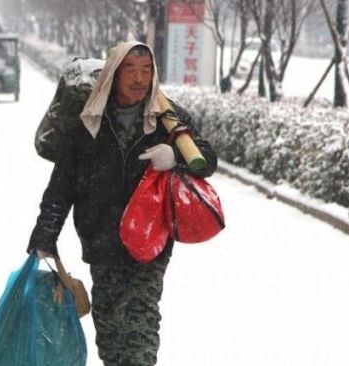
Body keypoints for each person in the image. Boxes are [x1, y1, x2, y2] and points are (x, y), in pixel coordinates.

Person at [27, 41, 218, 365]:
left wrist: (175, 157)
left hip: (149, 244)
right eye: (130, 69)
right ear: (114, 74)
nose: (139, 79)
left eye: (146, 71)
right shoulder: (88, 123)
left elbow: (207, 159)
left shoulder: (168, 120)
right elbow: (61, 188)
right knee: (111, 329)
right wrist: (44, 237)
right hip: (101, 241)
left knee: (141, 326)